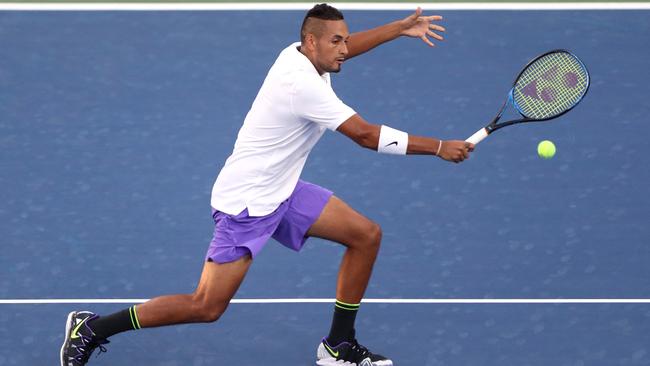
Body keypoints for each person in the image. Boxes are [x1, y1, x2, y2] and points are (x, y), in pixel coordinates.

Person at [60, 4, 474, 366]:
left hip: (282, 189)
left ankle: (338, 345)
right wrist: (438, 146)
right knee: (206, 306)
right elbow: (366, 135)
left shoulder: (300, 54)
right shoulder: (303, 85)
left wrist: (397, 29)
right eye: (335, 42)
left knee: (365, 236)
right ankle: (93, 328)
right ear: (312, 43)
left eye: (344, 40)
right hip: (249, 203)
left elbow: (347, 50)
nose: (344, 49)